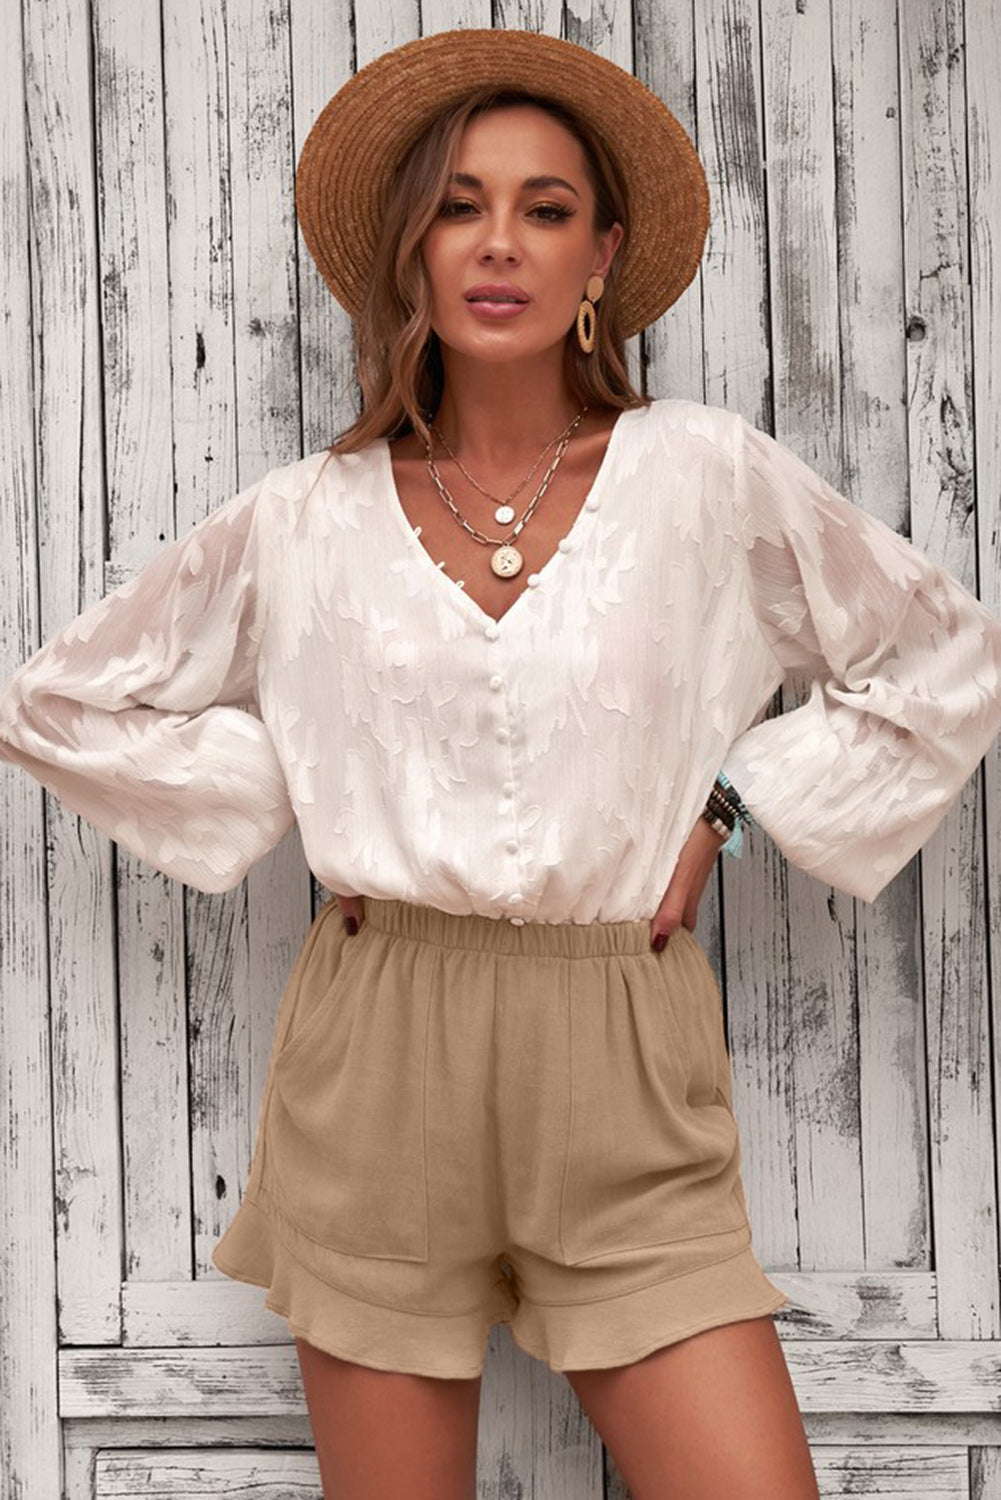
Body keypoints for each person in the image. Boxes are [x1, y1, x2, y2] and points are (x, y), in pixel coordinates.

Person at [2, 25, 1000, 1500]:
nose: (498, 243)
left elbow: (945, 658)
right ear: (412, 248)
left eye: (545, 208)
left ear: (602, 255)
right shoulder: (303, 518)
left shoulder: (705, 476)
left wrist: (734, 804)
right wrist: (300, 780)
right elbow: (61, 702)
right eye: (459, 205)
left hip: (621, 1042)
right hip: (376, 1048)